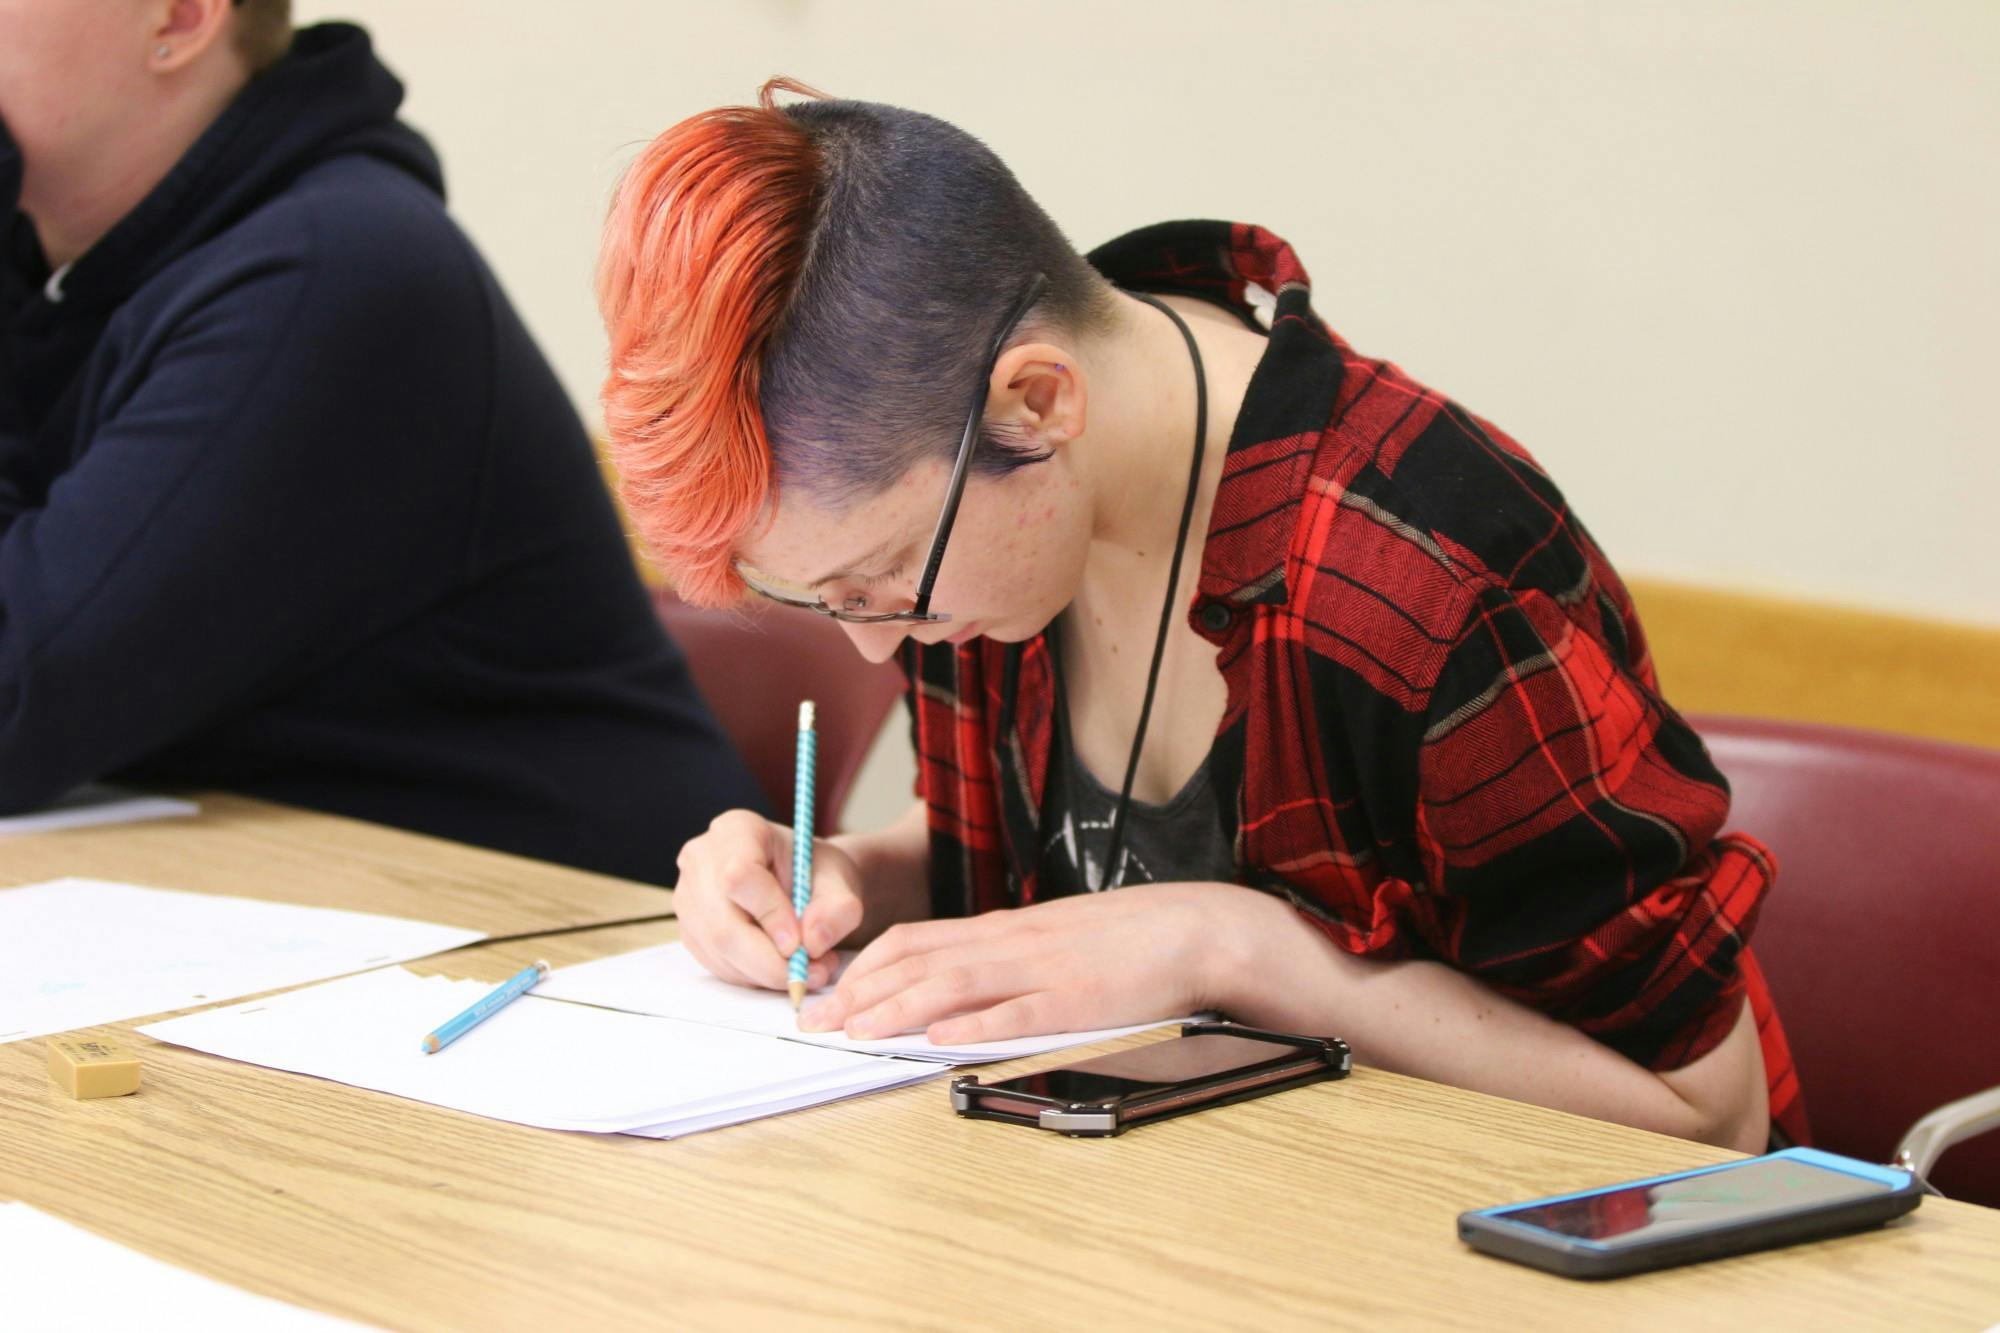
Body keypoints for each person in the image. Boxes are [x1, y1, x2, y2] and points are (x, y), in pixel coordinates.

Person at [601, 81, 1805, 1149]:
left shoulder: (1429, 581)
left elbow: (1708, 1117)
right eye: (818, 601)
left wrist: (1243, 953)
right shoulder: (990, 547)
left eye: (884, 582)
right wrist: (843, 878)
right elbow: (1057, 853)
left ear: (1035, 401)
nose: (872, 642)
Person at [0, 3, 765, 883]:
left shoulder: (333, 270)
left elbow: (13, 708)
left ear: (180, 15)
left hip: (560, 942)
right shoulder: (66, 278)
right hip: (289, 913)